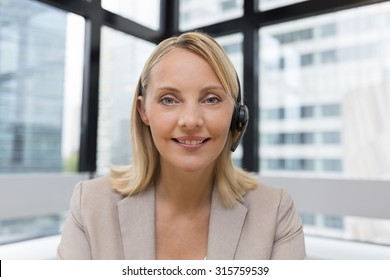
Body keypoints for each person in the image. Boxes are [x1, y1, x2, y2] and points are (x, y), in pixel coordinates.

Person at [57, 31, 306, 260]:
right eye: (169, 99)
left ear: (236, 115)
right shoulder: (89, 204)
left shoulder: (275, 211)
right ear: (144, 111)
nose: (190, 121)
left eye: (211, 99)